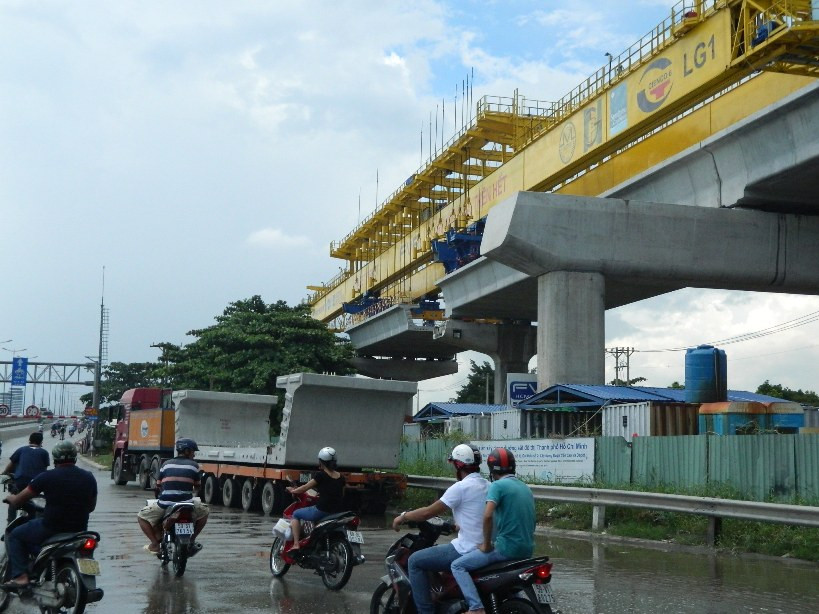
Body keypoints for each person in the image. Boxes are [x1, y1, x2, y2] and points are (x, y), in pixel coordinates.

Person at [392, 443, 489, 614]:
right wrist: (455, 526)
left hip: (467, 549)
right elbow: (476, 514)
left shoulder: (460, 488)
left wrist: (403, 516)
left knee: (415, 561)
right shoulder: (488, 485)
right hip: (486, 548)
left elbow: (427, 513)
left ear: (458, 465)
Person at [1, 441, 97, 589]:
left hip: (52, 527)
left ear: (55, 458)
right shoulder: (89, 477)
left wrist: (11, 498)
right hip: (79, 529)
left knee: (14, 535)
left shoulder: (46, 477)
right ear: (75, 458)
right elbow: (91, 507)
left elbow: (20, 499)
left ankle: (21, 577)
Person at [450, 447, 535, 614]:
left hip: (506, 549)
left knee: (457, 566)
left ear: (491, 469)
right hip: (528, 550)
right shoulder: (525, 487)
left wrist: (486, 544)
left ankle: (476, 608)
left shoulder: (497, 486)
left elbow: (488, 516)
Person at [137, 438, 209, 555]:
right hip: (187, 504)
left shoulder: (166, 464)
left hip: (165, 504)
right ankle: (192, 540)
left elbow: (159, 484)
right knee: (205, 512)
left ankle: (155, 544)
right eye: (192, 451)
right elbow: (197, 486)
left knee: (141, 517)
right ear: (186, 451)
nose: (194, 454)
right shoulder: (194, 466)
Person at [286, 446, 345, 549]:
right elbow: (340, 494)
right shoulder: (341, 477)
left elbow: (305, 488)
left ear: (321, 462)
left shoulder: (320, 475)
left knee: (296, 514)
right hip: (337, 512)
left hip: (322, 510)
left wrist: (293, 490)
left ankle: (296, 544)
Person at [2, 432, 50, 523]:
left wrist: (4, 473)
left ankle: (10, 522)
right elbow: (44, 470)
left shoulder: (21, 450)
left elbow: (10, 466)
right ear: (41, 442)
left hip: (20, 483)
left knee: (13, 499)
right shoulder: (44, 453)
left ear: (29, 440)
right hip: (37, 484)